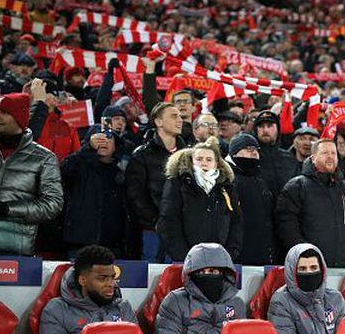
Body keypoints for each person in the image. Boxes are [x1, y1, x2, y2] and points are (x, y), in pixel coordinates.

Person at [0, 93, 63, 255]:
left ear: (20, 118)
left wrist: (7, 209)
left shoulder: (44, 158)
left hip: (15, 249)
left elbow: (53, 204)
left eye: (4, 112)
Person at [40, 245, 137, 334]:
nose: (111, 284)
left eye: (112, 277)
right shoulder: (56, 310)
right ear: (83, 280)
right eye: (102, 278)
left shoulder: (123, 307)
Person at [276, 138, 345, 268]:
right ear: (313, 158)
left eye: (333, 153)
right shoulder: (296, 187)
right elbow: (286, 225)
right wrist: (304, 254)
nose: (330, 157)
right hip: (308, 269)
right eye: (325, 153)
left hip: (342, 269)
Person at [157, 140, 242, 262]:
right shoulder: (177, 184)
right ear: (191, 162)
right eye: (199, 159)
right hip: (185, 259)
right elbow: (168, 221)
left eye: (209, 159)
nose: (204, 163)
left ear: (217, 163)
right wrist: (184, 257)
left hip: (219, 260)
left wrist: (228, 255)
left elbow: (236, 222)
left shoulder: (227, 187)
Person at [268, 243, 345, 334]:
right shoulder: (281, 301)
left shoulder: (335, 298)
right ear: (292, 272)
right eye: (302, 269)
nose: (309, 273)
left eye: (314, 268)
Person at [125, 102, 186, 260]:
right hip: (152, 231)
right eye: (174, 116)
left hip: (182, 231)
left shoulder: (189, 156)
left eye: (180, 116)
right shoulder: (141, 155)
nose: (180, 120)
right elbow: (135, 195)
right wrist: (156, 221)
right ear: (158, 122)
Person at [61, 126, 128, 257]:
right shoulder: (80, 167)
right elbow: (65, 170)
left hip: (114, 246)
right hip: (82, 243)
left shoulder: (121, 173)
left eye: (109, 138)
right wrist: (88, 149)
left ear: (116, 146)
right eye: (98, 138)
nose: (103, 141)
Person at [228, 133, 276, 265]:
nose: (254, 153)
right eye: (248, 149)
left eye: (256, 150)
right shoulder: (228, 179)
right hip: (238, 253)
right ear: (235, 153)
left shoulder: (260, 181)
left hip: (262, 251)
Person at [253, 110, 297, 196]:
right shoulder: (251, 158)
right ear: (256, 130)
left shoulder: (289, 158)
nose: (265, 130)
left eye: (270, 126)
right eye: (261, 126)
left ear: (278, 129)